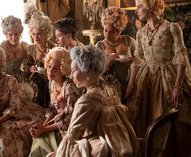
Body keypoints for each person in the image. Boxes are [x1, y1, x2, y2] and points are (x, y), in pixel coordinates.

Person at [125, 0, 191, 156]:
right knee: (142, 116)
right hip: (145, 79)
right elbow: (137, 60)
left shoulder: (171, 27)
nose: (136, 10)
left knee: (166, 116)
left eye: (140, 6)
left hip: (167, 78)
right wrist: (131, 83)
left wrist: (177, 86)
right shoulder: (140, 32)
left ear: (151, 7)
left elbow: (181, 56)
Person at [50, 45, 138, 157]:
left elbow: (72, 135)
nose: (71, 76)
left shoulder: (87, 100)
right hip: (121, 146)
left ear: (87, 70)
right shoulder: (111, 91)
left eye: (74, 70)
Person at [28, 47, 80, 157]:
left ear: (64, 69)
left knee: (41, 141)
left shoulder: (69, 88)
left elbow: (69, 120)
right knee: (38, 138)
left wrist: (44, 129)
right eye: (49, 67)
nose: (50, 71)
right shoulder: (52, 83)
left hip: (69, 130)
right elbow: (53, 108)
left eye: (55, 68)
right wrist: (43, 125)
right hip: (58, 125)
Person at [96, 6, 135, 100]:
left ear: (119, 30)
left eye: (112, 32)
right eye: (105, 30)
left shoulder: (129, 41)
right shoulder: (99, 46)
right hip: (109, 91)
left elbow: (138, 62)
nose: (107, 35)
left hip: (129, 84)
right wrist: (109, 62)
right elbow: (96, 73)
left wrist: (131, 85)